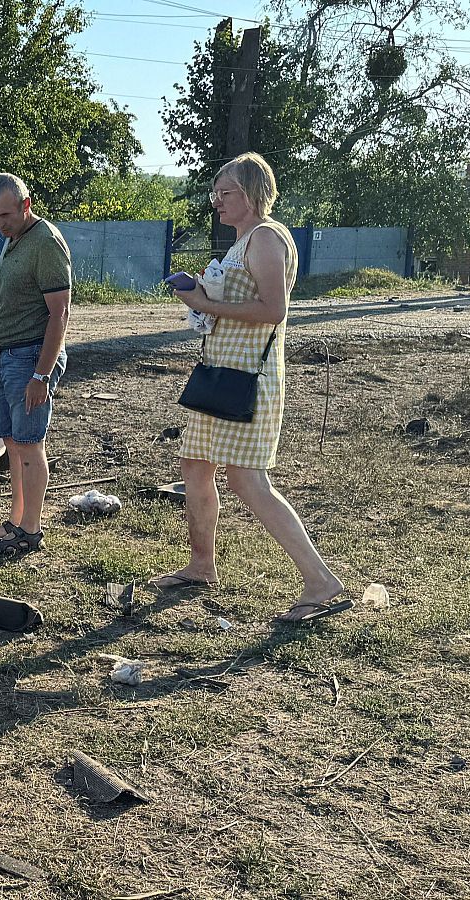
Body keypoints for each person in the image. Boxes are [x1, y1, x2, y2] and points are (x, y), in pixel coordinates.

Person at [152, 152, 348, 623]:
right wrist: (202, 296)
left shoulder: (265, 238)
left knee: (246, 479)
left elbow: (273, 310)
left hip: (249, 379)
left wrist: (207, 303)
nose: (216, 201)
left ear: (254, 192)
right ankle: (201, 565)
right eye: (215, 193)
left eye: (227, 193)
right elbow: (241, 300)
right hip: (222, 373)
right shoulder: (243, 240)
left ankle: (320, 581)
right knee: (195, 466)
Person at [0, 173, 71, 557]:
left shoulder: (46, 243)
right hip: (10, 355)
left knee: (30, 446)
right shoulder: (14, 240)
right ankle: (15, 521)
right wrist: (0, 341)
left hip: (32, 359)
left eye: (6, 215)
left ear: (26, 205)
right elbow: (19, 299)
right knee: (12, 444)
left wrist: (41, 375)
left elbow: (59, 313)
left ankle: (31, 530)